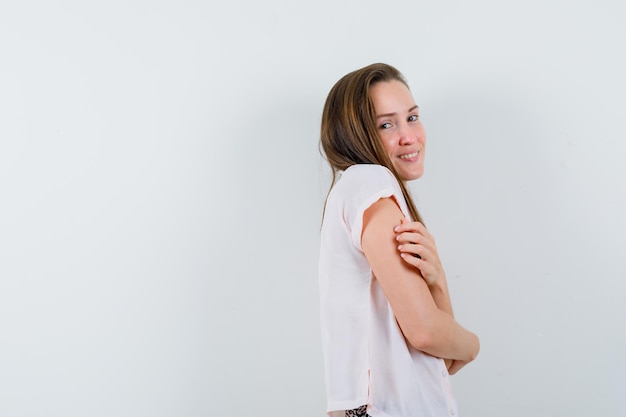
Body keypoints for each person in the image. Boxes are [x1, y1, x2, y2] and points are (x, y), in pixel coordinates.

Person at [318, 63, 480, 417]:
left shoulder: (358, 190)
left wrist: (437, 278)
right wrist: (475, 346)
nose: (409, 136)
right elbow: (427, 333)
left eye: (413, 117)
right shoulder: (370, 182)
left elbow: (442, 357)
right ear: (355, 135)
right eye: (386, 125)